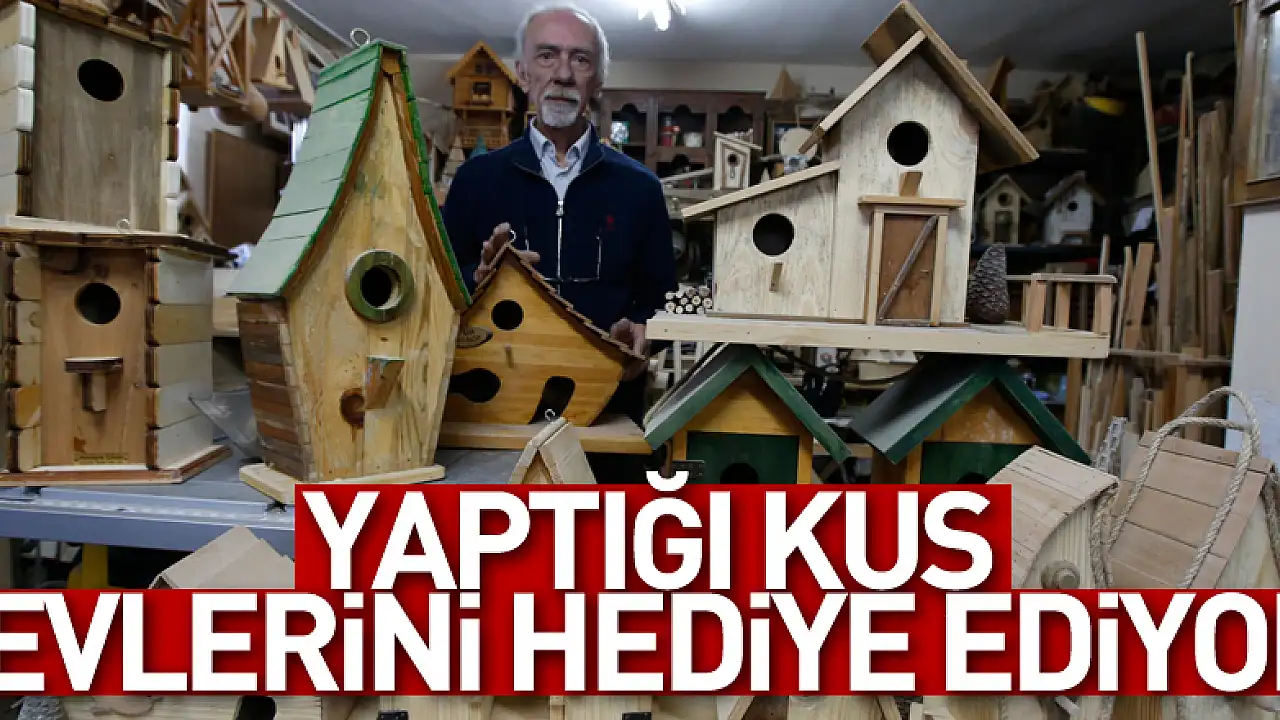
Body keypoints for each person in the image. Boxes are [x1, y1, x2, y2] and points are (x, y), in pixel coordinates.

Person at [442, 3, 678, 480]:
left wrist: (644, 333)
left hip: (605, 420)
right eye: (547, 55)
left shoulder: (640, 188)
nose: (564, 73)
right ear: (523, 73)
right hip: (494, 420)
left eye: (581, 59)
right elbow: (438, 291)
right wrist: (480, 278)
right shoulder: (474, 181)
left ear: (598, 80)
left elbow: (661, 300)